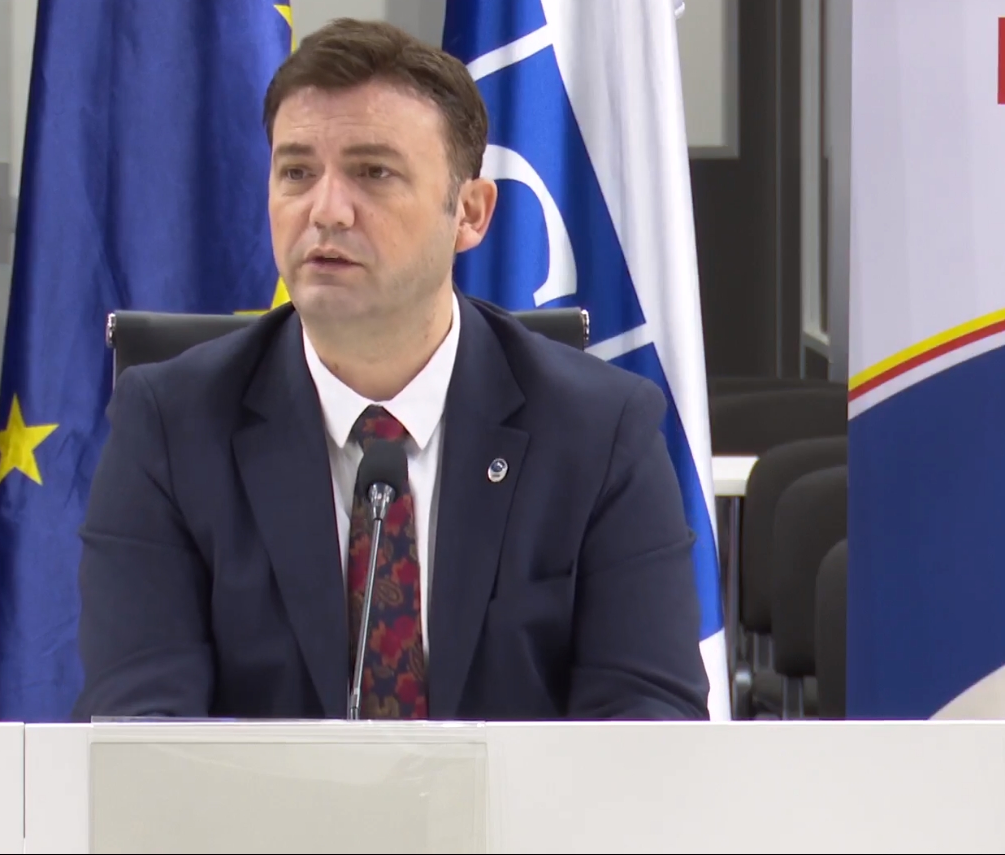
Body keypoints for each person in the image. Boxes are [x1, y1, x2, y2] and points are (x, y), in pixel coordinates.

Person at [72, 18, 710, 722]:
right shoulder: (171, 426)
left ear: (470, 214)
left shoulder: (599, 431)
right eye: (296, 173)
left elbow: (647, 718)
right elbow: (140, 723)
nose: (326, 211)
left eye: (373, 172)